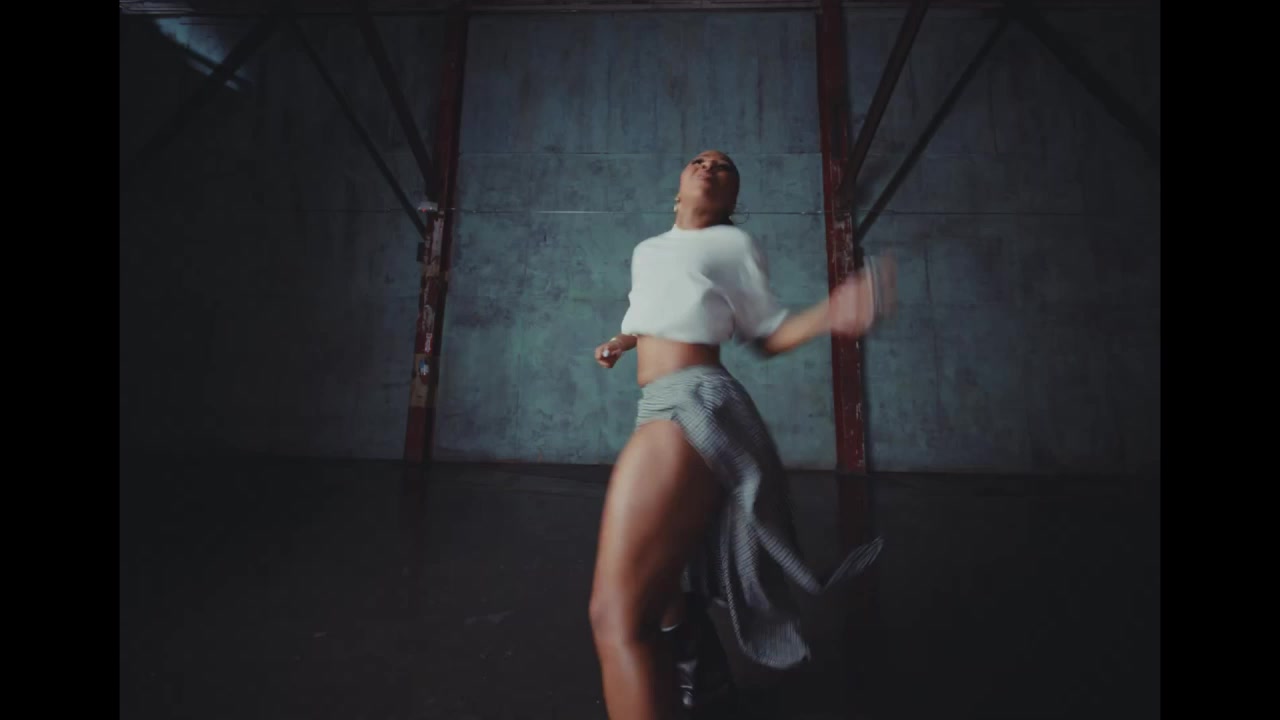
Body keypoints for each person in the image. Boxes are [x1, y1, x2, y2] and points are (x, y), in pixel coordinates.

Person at [588, 150, 892, 719]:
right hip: (653, 405)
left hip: (694, 398)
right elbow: (648, 312)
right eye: (698, 160)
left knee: (616, 617)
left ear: (731, 198)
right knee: (663, 581)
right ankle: (704, 682)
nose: (708, 166)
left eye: (723, 166)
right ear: (677, 189)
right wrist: (621, 342)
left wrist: (832, 312)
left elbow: (766, 333)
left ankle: (696, 680)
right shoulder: (647, 250)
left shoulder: (733, 245)